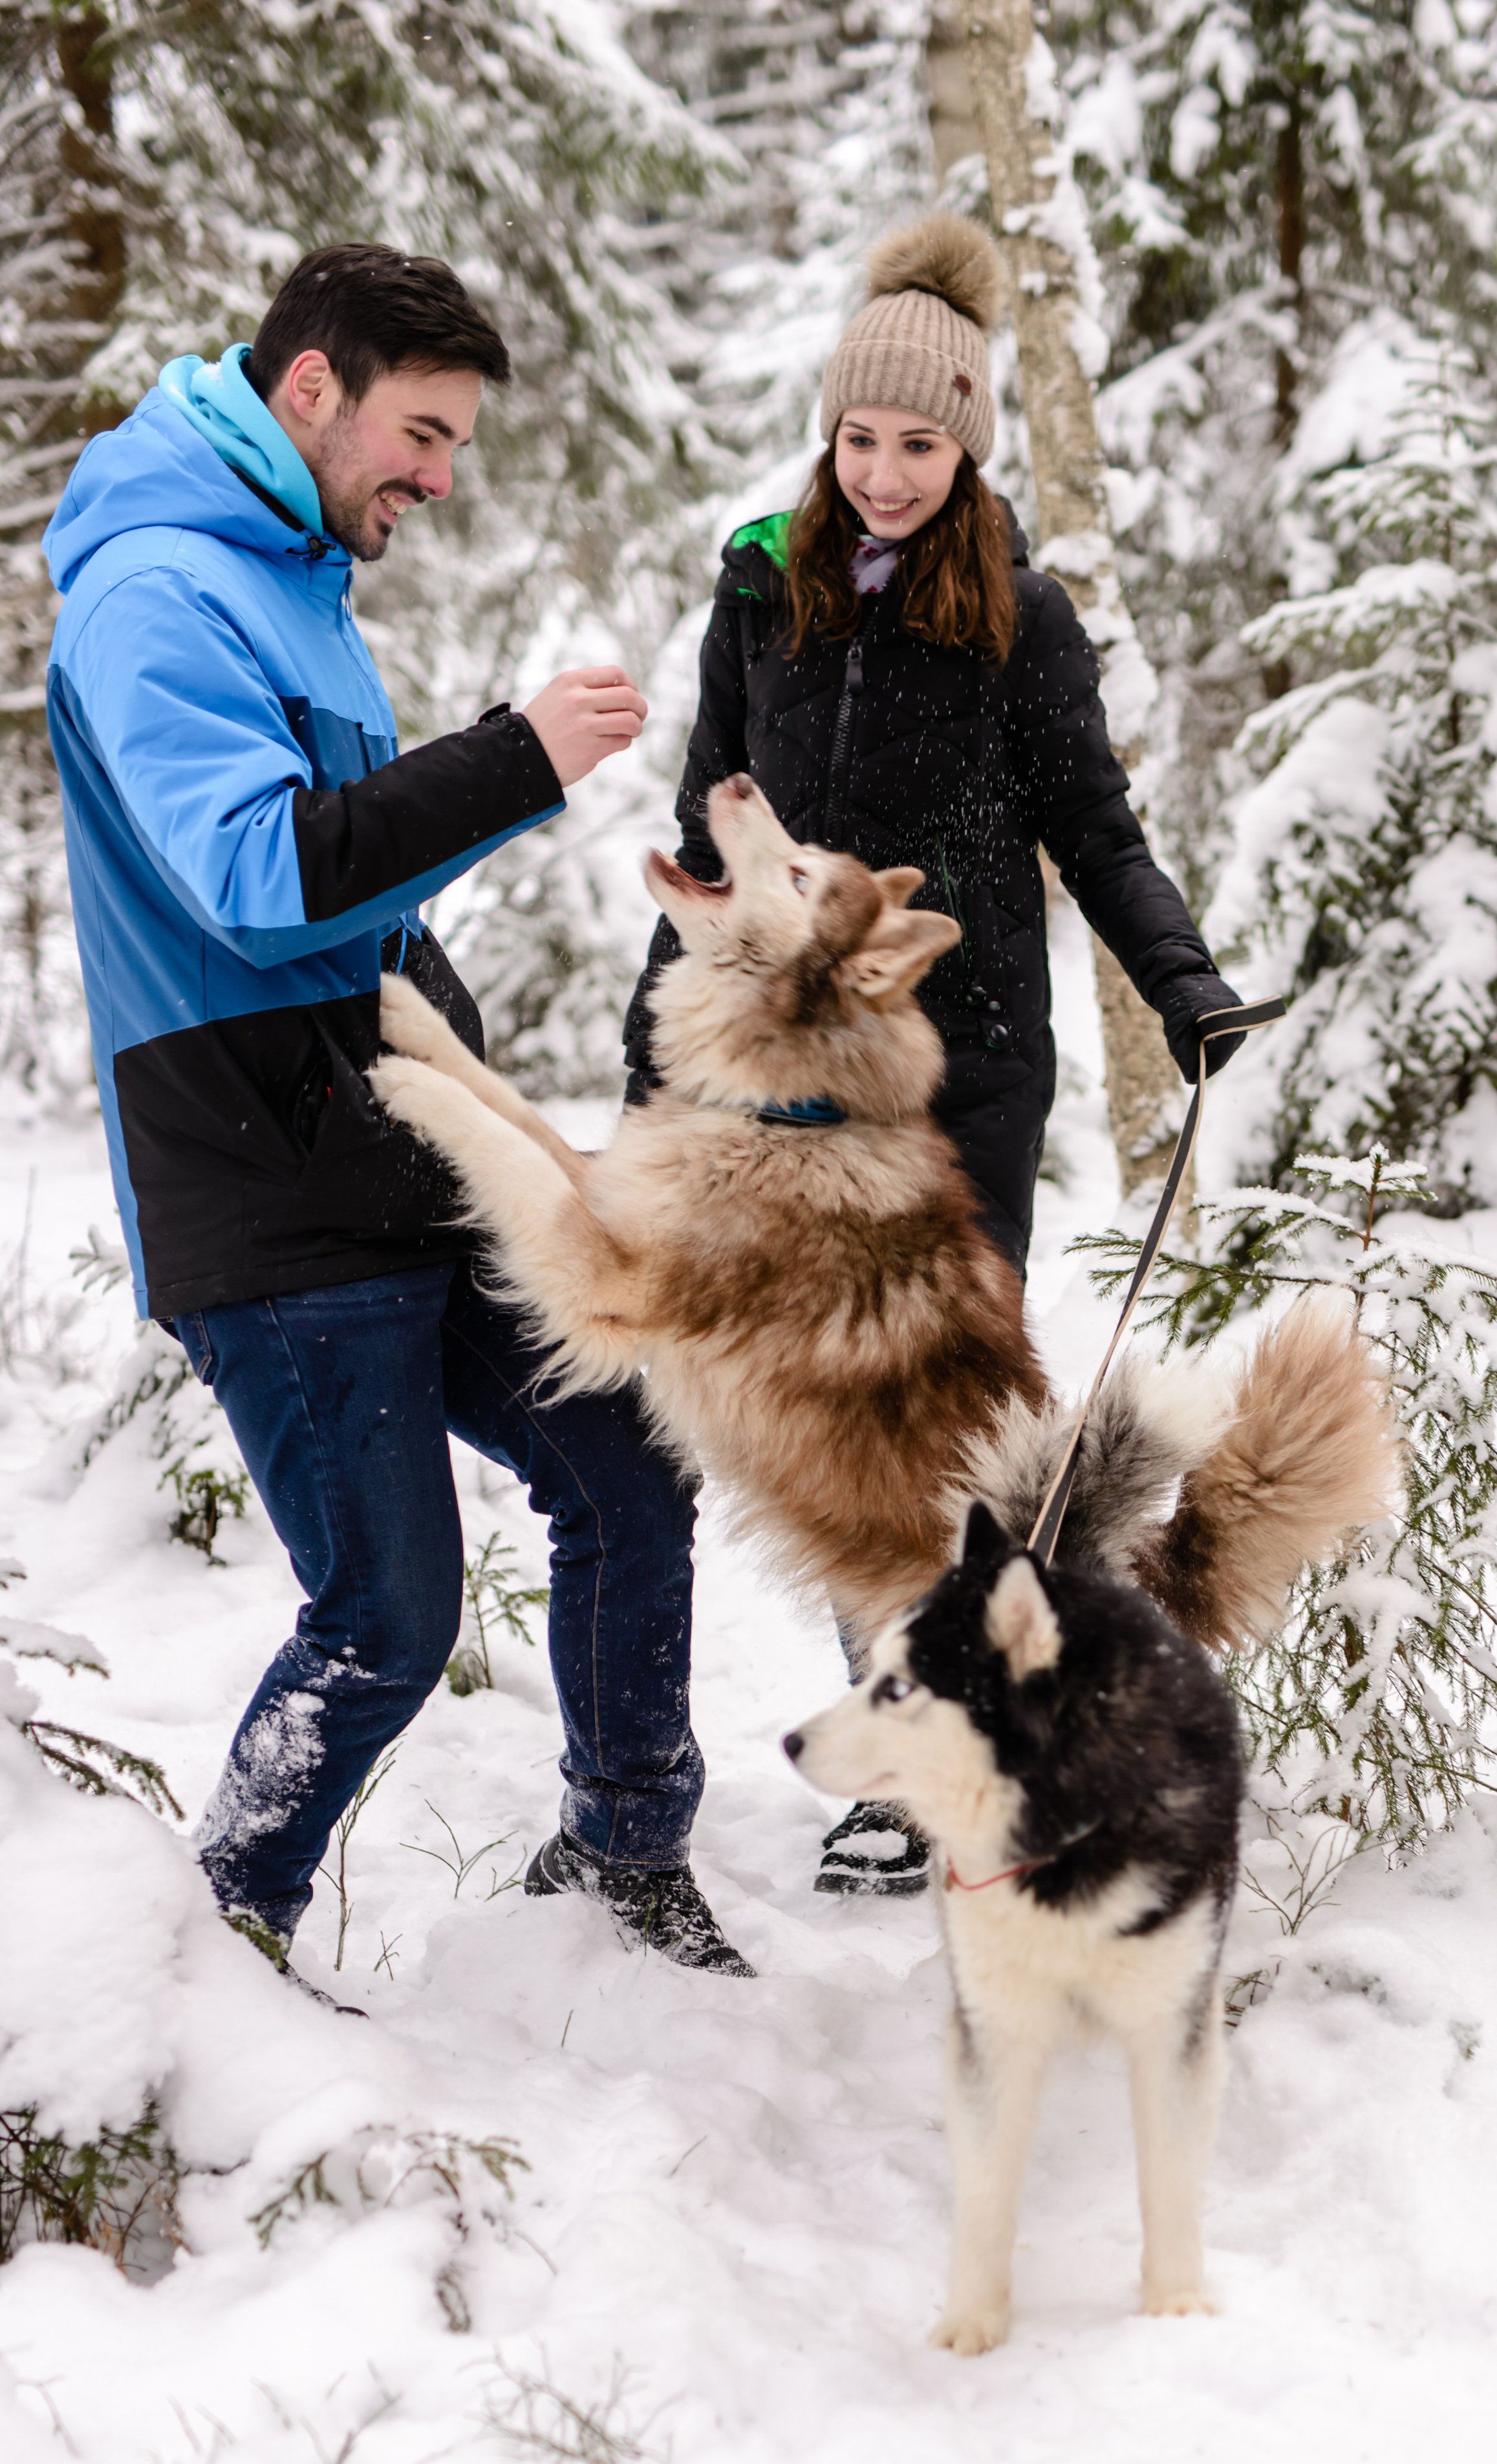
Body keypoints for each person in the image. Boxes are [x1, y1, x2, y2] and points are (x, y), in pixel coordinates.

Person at [44, 242, 752, 1989]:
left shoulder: (290, 579)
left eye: (454, 445)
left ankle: (625, 1849)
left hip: (397, 1150)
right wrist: (517, 756)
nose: (438, 478)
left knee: (628, 1462)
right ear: (313, 390)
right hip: (261, 1183)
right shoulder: (155, 592)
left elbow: (362, 904)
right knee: (385, 1617)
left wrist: (469, 1053)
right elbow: (257, 879)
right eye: (421, 435)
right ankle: (216, 1949)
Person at [621, 213, 1244, 1901]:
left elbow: (1096, 831)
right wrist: (653, 1056)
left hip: (959, 1074)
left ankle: (961, 1745)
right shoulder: (762, 590)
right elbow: (709, 831)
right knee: (832, 1421)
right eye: (861, 439)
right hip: (779, 1081)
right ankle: (892, 1736)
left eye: (920, 443)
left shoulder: (1021, 617)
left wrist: (1180, 982)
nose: (886, 474)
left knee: (940, 1432)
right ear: (827, 434)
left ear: (967, 447)